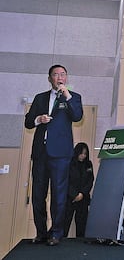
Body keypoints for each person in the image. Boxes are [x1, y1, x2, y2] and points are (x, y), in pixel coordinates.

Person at [24, 65, 83, 246]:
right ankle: (41, 233)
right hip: (41, 154)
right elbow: (28, 122)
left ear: (66, 78)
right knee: (38, 195)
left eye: (62, 74)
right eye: (56, 74)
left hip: (61, 155)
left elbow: (77, 116)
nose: (59, 77)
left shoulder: (73, 97)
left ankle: (56, 233)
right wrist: (38, 120)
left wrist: (67, 95)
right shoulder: (40, 98)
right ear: (50, 78)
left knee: (59, 195)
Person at [64, 142, 94, 238]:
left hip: (83, 198)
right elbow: (66, 180)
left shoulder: (88, 164)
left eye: (85, 154)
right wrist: (74, 195)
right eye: (81, 153)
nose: (83, 156)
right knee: (65, 222)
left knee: (82, 224)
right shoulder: (69, 163)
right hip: (70, 198)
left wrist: (82, 194)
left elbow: (90, 180)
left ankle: (80, 243)